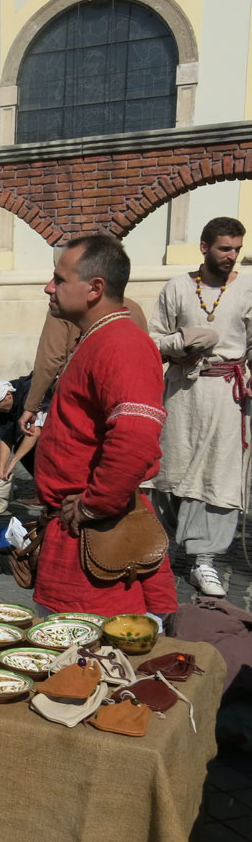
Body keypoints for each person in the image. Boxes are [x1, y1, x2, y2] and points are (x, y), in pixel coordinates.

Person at [33, 233, 177, 619]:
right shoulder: (96, 338)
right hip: (75, 533)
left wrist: (95, 505)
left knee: (96, 650)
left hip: (100, 538)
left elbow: (136, 437)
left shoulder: (123, 344)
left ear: (95, 288)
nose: (49, 288)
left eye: (59, 280)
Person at [149, 216, 252, 598]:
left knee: (218, 476)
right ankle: (165, 547)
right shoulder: (177, 287)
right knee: (168, 472)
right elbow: (154, 340)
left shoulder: (248, 288)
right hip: (181, 392)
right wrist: (182, 343)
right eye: (225, 248)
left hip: (227, 396)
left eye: (237, 249)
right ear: (205, 247)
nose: (231, 255)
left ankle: (203, 559)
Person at [17, 299, 149, 437]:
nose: (50, 289)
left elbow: (49, 360)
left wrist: (31, 406)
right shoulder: (133, 308)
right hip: (129, 404)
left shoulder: (64, 305)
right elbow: (145, 357)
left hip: (79, 404)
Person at [0, 375, 38, 485]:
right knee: (21, 447)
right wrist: (0, 470)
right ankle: (42, 483)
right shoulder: (3, 406)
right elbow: (6, 438)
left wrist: (13, 462)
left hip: (56, 428)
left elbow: (35, 431)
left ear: (8, 395)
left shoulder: (28, 394)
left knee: (34, 448)